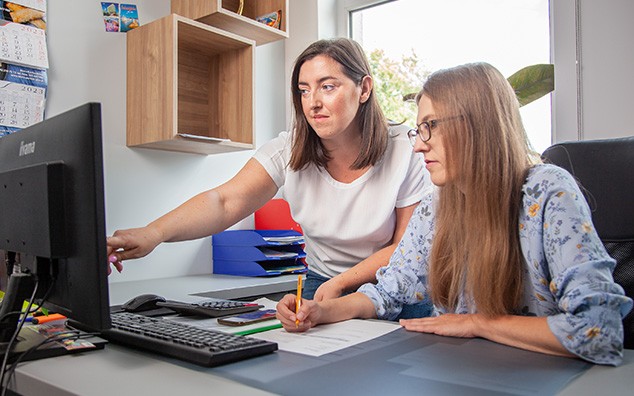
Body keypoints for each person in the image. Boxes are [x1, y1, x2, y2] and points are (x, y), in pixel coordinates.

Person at [276, 62, 633, 365]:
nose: (418, 143)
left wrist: (479, 323)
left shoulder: (546, 190)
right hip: (462, 367)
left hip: (541, 374)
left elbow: (599, 329)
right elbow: (387, 294)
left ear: (476, 124)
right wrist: (320, 312)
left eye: (430, 126)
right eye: (419, 129)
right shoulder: (437, 205)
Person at [107, 38, 432, 304]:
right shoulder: (289, 149)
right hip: (321, 282)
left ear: (364, 89)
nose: (312, 102)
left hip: (391, 285)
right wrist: (154, 233)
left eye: (327, 87)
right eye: (304, 90)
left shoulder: (407, 149)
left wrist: (342, 285)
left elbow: (404, 248)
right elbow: (224, 201)